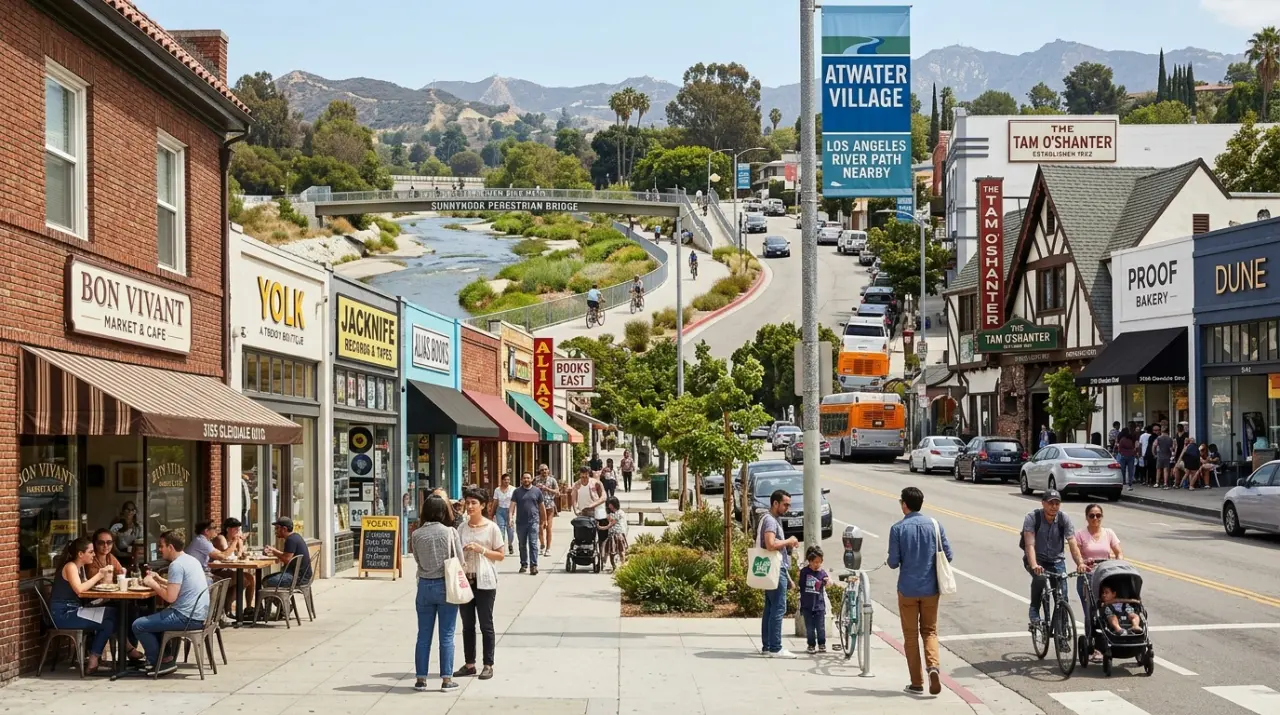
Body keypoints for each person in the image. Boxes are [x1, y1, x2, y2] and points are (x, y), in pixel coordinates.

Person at [888, 486, 953, 696]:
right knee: (930, 631)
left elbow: (892, 562)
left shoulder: (897, 529)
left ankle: (917, 682)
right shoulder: (935, 525)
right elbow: (948, 555)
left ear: (904, 505)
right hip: (931, 589)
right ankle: (933, 667)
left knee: (910, 636)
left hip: (907, 589)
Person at [133, 531, 210, 675]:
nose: (159, 549)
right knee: (149, 615)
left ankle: (159, 663)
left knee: (139, 625)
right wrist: (160, 580)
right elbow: (180, 585)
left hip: (186, 618)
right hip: (198, 615)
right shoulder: (190, 560)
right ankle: (166, 657)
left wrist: (152, 584)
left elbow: (170, 597)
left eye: (161, 546)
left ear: (170, 547)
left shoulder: (176, 565)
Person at [411, 495, 465, 692]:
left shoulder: (416, 534)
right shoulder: (450, 532)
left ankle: (420, 679)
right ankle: (446, 679)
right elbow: (460, 560)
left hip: (424, 586)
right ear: (443, 512)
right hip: (446, 585)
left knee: (423, 635)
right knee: (447, 635)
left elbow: (417, 559)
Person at [49, 537, 126, 672]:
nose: (94, 554)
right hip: (64, 615)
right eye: (90, 552)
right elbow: (79, 589)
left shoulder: (80, 568)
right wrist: (99, 575)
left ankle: (93, 658)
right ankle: (126, 649)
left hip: (74, 610)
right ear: (80, 554)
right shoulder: (71, 566)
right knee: (112, 613)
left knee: (109, 622)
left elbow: (86, 588)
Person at [455, 488, 505, 681]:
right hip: (466, 579)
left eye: (474, 503)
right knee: (467, 624)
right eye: (467, 503)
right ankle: (469, 664)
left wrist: (481, 549)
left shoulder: (491, 528)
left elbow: (500, 555)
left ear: (483, 505)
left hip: (485, 581)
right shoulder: (462, 528)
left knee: (486, 623)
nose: (469, 507)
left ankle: (488, 664)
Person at [1022, 490, 1086, 632]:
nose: (1054, 506)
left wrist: (1080, 563)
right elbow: (1029, 545)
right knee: (1039, 578)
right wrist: (1034, 565)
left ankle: (1061, 632)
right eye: (1051, 503)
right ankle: (1034, 609)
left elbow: (1072, 542)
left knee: (1062, 596)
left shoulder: (1064, 519)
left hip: (1057, 561)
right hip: (1037, 559)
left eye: (1057, 503)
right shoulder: (1032, 518)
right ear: (1043, 503)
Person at [1073, 503, 1123, 661]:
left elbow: (1118, 552)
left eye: (1098, 515)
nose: (1095, 518)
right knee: (1091, 613)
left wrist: (1118, 563)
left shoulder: (1109, 533)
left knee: (1108, 610)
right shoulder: (1080, 534)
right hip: (1087, 578)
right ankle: (1093, 645)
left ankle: (1113, 638)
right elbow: (1076, 553)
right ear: (1086, 517)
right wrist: (1081, 563)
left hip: (1105, 577)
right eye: (1092, 515)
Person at [757, 489, 799, 659]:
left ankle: (768, 646)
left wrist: (788, 577)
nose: (787, 508)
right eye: (785, 504)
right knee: (778, 608)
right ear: (775, 503)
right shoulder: (770, 521)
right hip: (775, 571)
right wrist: (789, 541)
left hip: (775, 569)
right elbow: (770, 544)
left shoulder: (772, 520)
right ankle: (775, 647)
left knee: (770, 607)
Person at [212, 517, 254, 617]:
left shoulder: (233, 540)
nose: (238, 532)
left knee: (250, 578)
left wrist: (240, 545)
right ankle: (227, 608)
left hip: (228, 570)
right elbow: (226, 554)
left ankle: (248, 608)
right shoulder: (221, 538)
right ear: (228, 529)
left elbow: (239, 556)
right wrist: (236, 542)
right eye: (236, 529)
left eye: (238, 529)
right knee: (244, 579)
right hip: (217, 571)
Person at [798, 546, 830, 655]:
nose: (817, 565)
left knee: (820, 627)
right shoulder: (804, 572)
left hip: (819, 605)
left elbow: (828, 582)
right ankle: (811, 644)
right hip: (807, 605)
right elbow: (801, 586)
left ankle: (822, 644)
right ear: (809, 561)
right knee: (810, 628)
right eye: (815, 562)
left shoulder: (822, 573)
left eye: (819, 562)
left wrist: (827, 581)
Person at [262, 517, 312, 588]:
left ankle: (280, 599)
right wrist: (275, 552)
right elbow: (287, 556)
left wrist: (274, 552)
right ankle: (280, 599)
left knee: (267, 581)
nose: (275, 531)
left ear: (284, 529)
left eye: (277, 528)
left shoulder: (291, 540)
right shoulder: (295, 537)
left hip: (297, 578)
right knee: (267, 579)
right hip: (302, 576)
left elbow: (287, 559)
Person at [512, 472, 546, 575]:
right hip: (520, 522)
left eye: (528, 478)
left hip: (533, 521)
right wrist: (510, 517)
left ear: (531, 479)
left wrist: (544, 520)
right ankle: (524, 564)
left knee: (533, 544)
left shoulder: (537, 491)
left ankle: (533, 565)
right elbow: (512, 505)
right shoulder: (517, 492)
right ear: (521, 480)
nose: (526, 480)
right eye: (524, 478)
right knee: (522, 544)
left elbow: (541, 506)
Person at [597, 496, 628, 571]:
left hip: (618, 534)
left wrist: (600, 527)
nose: (608, 505)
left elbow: (611, 524)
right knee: (611, 551)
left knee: (620, 551)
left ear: (614, 504)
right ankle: (613, 566)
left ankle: (622, 565)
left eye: (610, 504)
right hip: (611, 535)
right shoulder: (611, 513)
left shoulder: (619, 513)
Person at [109, 501, 142, 568]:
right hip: (118, 558)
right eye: (128, 509)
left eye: (132, 510)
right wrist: (120, 554)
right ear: (123, 511)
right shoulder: (116, 525)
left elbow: (140, 543)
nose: (130, 512)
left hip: (133, 558)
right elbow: (111, 543)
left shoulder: (138, 527)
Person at [534, 465, 558, 557]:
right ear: (539, 471)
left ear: (548, 470)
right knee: (540, 526)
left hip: (549, 506)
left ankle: (548, 548)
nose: (544, 471)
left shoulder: (552, 480)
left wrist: (547, 488)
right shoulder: (536, 480)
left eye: (545, 469)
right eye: (542, 470)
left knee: (548, 528)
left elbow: (557, 492)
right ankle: (542, 545)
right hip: (538, 506)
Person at [490, 473, 516, 555]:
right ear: (502, 480)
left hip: (510, 511)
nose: (507, 481)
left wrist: (513, 513)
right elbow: (495, 502)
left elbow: (515, 502)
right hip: (500, 511)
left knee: (510, 530)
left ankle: (510, 544)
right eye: (505, 480)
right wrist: (492, 512)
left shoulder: (513, 489)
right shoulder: (497, 490)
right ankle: (502, 548)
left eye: (508, 480)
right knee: (501, 529)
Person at [1115, 427, 1137, 491]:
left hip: (1123, 455)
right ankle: (1130, 482)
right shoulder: (1132, 439)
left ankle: (1123, 481)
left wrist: (1121, 453)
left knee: (1122, 469)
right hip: (1131, 455)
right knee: (1131, 470)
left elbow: (1119, 448)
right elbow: (1135, 447)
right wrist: (1134, 453)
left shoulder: (1122, 439)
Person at [1153, 423, 1174, 489]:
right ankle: (1165, 483)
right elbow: (1171, 449)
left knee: (1158, 470)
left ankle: (1157, 483)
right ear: (1168, 431)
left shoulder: (1158, 438)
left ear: (1161, 431)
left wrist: (1154, 454)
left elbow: (1154, 446)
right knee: (1166, 470)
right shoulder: (1170, 439)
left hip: (1159, 456)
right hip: (1167, 456)